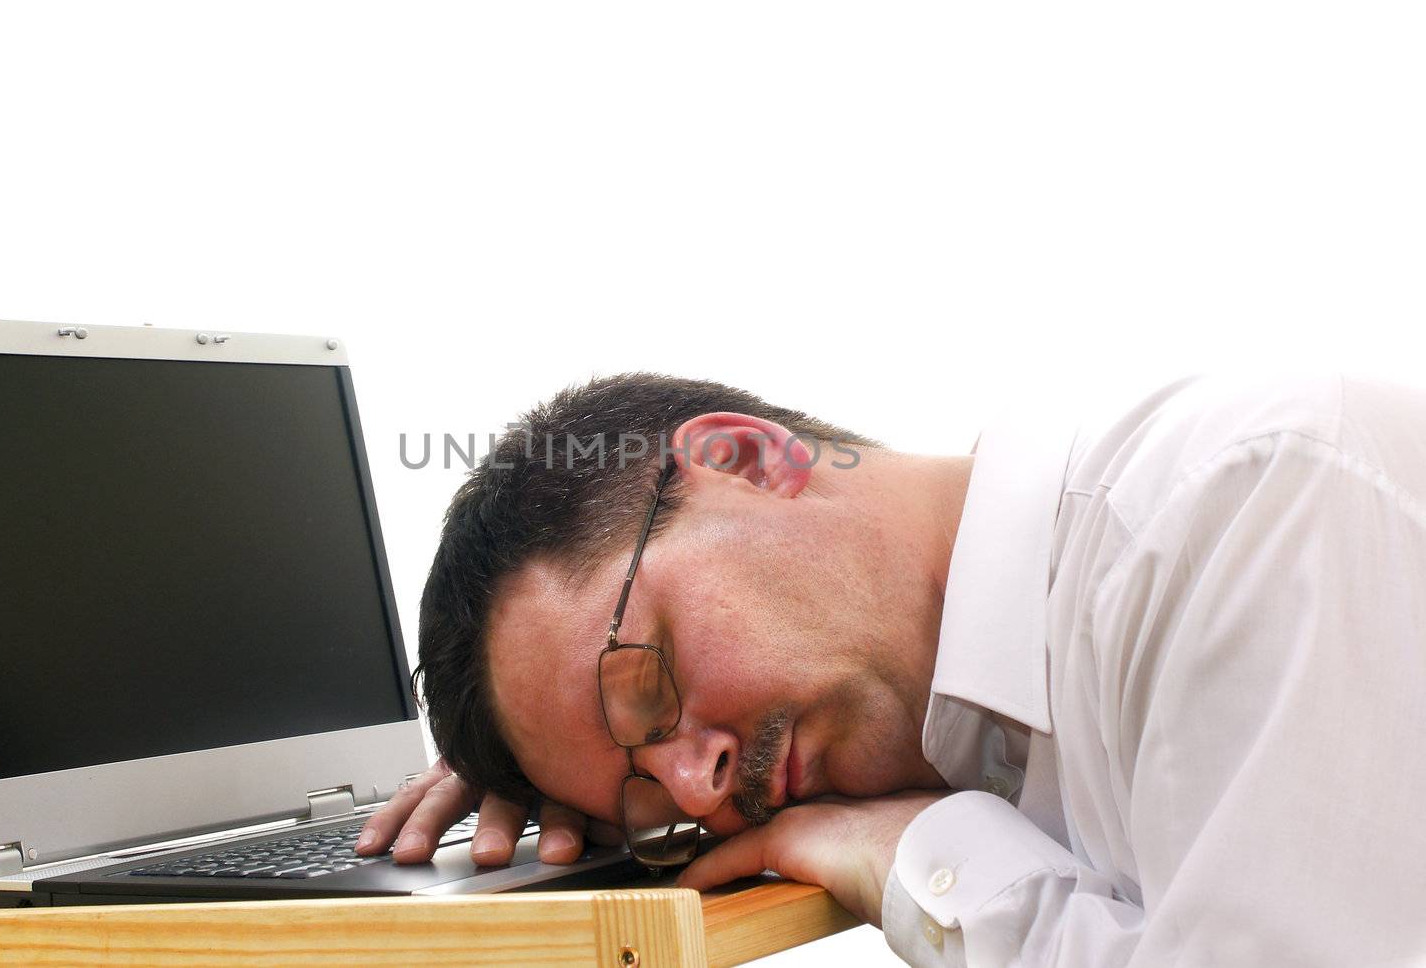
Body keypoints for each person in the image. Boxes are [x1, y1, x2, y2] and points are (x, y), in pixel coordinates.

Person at [354, 371, 1426, 966]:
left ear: (747, 459)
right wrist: (559, 785)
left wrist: (925, 852)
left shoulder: (1235, 512)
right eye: (646, 798)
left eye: (644, 683)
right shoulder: (984, 723)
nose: (695, 788)